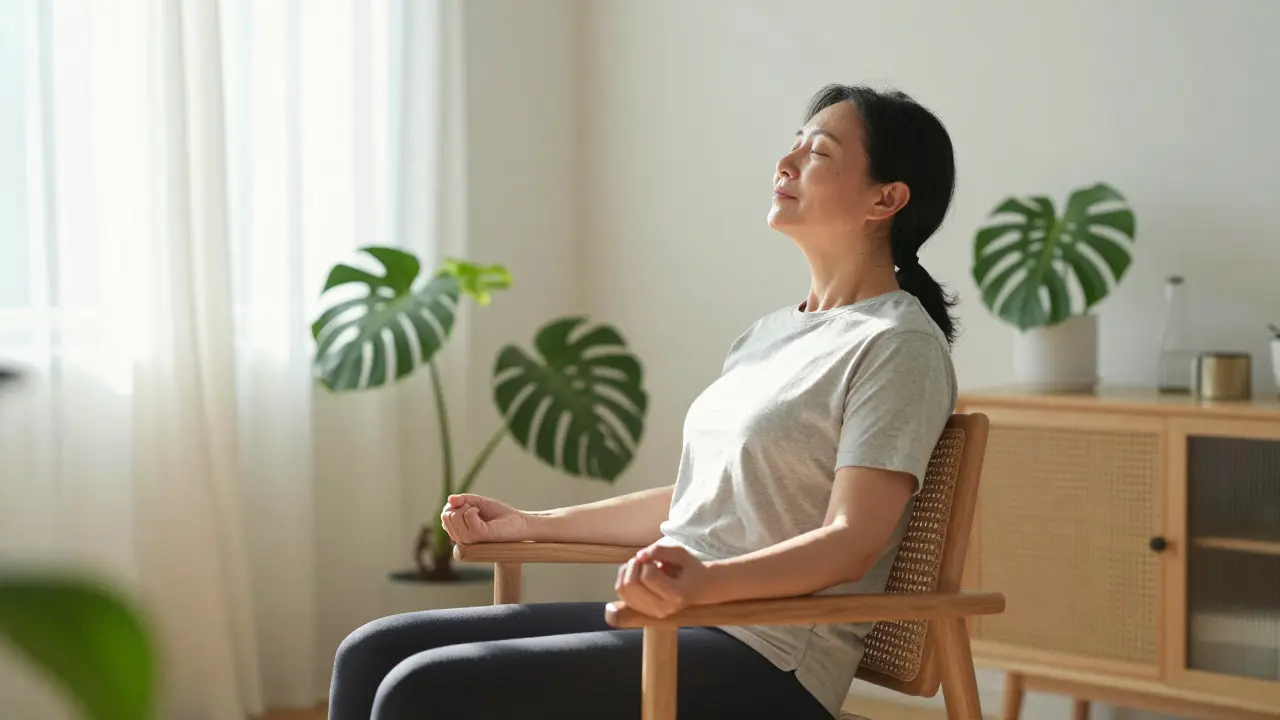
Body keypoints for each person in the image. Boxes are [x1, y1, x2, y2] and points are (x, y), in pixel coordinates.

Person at [327, 83, 959, 720]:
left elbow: (852, 540)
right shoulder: (768, 336)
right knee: (370, 652)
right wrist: (532, 525)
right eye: (791, 146)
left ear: (887, 198)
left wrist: (707, 584)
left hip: (769, 653)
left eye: (818, 152)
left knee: (424, 689)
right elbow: (696, 502)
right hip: (682, 624)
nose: (786, 163)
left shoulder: (897, 344)